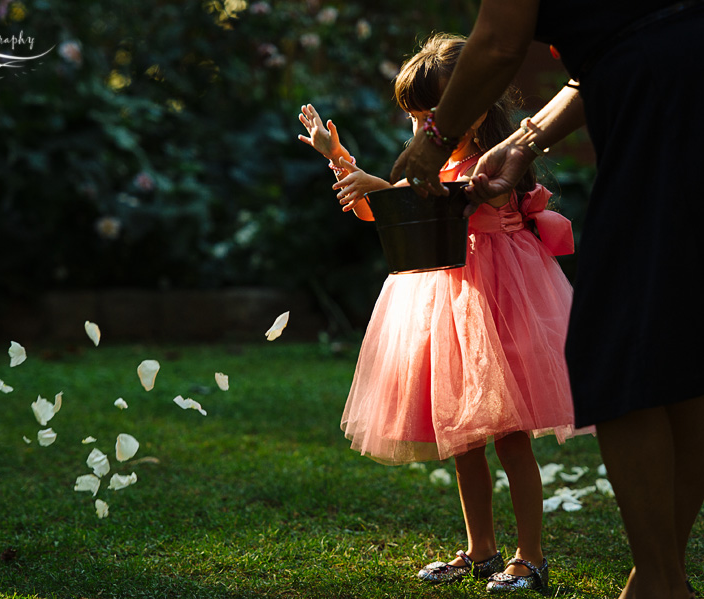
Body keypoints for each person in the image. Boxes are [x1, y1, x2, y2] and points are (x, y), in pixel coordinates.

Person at [391, 3, 704, 599]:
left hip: (664, 104)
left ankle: (659, 582)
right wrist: (527, 140)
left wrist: (435, 140)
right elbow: (605, 55)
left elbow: (498, 42)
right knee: (682, 336)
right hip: (672, 89)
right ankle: (658, 577)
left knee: (624, 342)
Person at [298, 33, 586, 593]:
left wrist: (385, 186)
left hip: (504, 300)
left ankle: (531, 555)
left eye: (430, 115)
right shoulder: (439, 161)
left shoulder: (495, 163)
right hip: (448, 307)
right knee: (464, 435)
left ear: (473, 107)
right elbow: (383, 214)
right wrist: (339, 160)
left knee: (511, 436)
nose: (421, 128)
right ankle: (481, 549)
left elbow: (453, 208)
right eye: (414, 117)